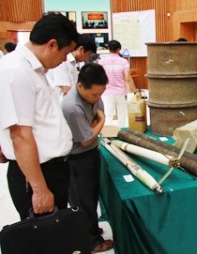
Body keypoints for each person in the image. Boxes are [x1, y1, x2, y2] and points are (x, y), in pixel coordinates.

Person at [0, 13, 78, 219]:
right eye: (66, 53)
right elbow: (19, 134)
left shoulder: (34, 69)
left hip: (50, 170)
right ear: (52, 45)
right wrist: (40, 189)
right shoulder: (16, 70)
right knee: (44, 241)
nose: (64, 60)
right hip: (38, 175)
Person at [61, 63, 114, 253]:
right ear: (80, 86)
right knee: (82, 201)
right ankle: (92, 242)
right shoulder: (71, 106)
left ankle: (92, 229)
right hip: (77, 159)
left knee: (91, 197)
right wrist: (101, 121)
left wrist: (94, 126)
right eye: (94, 95)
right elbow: (86, 139)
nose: (98, 98)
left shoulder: (93, 95)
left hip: (91, 153)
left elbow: (92, 130)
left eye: (101, 94)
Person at [47, 34, 97, 103]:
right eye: (88, 54)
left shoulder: (72, 64)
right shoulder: (63, 62)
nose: (87, 58)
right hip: (62, 105)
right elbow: (66, 89)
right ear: (81, 49)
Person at [98, 39, 136, 127]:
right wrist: (134, 90)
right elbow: (127, 78)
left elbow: (99, 77)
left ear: (108, 49)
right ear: (119, 49)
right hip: (121, 92)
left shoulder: (102, 62)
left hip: (106, 92)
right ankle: (121, 134)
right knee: (122, 114)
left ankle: (108, 135)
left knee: (108, 115)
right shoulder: (124, 62)